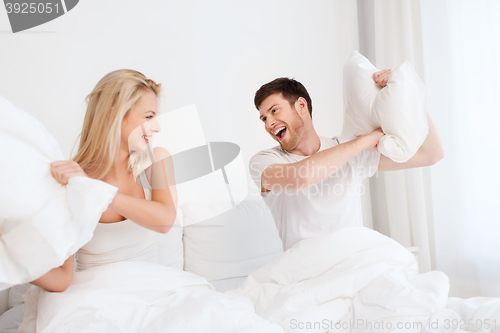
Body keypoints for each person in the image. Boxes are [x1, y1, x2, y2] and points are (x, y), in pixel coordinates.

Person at [249, 70, 444, 251]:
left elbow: (432, 154)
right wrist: (365, 140)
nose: (269, 124)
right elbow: (302, 177)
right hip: (304, 272)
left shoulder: (346, 149)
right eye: (263, 118)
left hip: (352, 264)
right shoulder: (264, 161)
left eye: (274, 111)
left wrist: (407, 93)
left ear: (301, 106)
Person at [29, 69, 177, 292]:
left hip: (153, 293)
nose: (157, 127)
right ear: (113, 115)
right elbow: (61, 279)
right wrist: (10, 254)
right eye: (149, 116)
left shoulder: (157, 160)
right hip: (96, 299)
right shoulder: (71, 182)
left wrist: (92, 190)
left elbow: (164, 221)